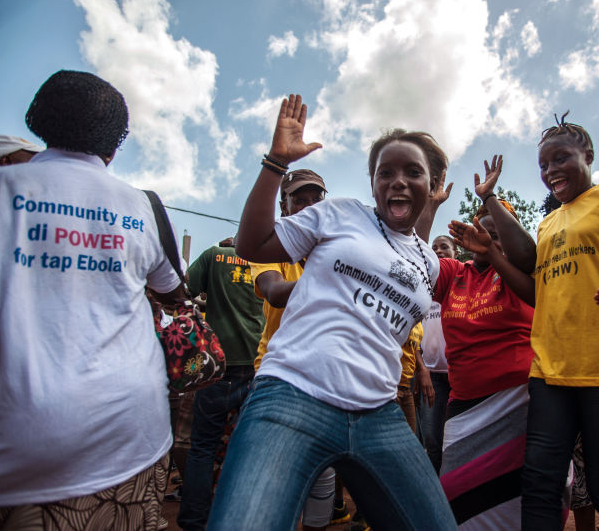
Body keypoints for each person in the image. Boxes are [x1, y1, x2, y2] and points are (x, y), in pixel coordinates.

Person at [206, 94, 457, 530]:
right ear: (373, 183)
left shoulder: (430, 263)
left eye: (412, 172)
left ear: (431, 184)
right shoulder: (341, 214)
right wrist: (275, 164)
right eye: (386, 173)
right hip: (292, 395)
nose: (397, 182)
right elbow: (252, 246)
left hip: (380, 414)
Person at [451, 119, 599, 530]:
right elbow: (539, 293)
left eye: (561, 158)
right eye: (543, 164)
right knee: (540, 482)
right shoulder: (549, 222)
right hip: (552, 371)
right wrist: (491, 228)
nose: (551, 170)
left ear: (587, 156)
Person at [0, 70, 181, 530]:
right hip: (130, 438)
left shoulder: (8, 189)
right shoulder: (144, 206)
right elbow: (173, 293)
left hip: (21, 447)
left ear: (38, 120)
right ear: (115, 144)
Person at [249, 169, 347, 530]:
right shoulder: (271, 247)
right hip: (279, 380)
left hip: (327, 380)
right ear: (284, 206)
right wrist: (336, 276)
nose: (307, 206)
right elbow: (275, 292)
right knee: (275, 482)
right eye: (298, 199)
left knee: (322, 478)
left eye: (314, 199)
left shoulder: (333, 247)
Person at [433, 196, 536, 529]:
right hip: (465, 404)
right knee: (456, 491)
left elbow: (531, 287)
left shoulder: (519, 274)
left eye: (497, 233)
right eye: (482, 228)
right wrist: (429, 206)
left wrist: (495, 251)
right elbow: (412, 261)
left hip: (519, 401)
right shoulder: (453, 274)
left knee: (525, 495)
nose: (487, 237)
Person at [176, 237, 265, 530]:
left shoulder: (215, 256)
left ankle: (193, 521)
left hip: (217, 365)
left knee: (202, 447)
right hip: (256, 363)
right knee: (247, 449)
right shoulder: (263, 261)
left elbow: (182, 290)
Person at [417, 235, 457, 473]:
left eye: (445, 247)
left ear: (456, 253)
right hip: (431, 376)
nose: (439, 251)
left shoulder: (464, 285)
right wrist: (421, 369)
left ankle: (454, 491)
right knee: (432, 438)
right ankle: (435, 494)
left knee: (456, 438)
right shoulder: (423, 290)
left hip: (459, 375)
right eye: (435, 248)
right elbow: (411, 334)